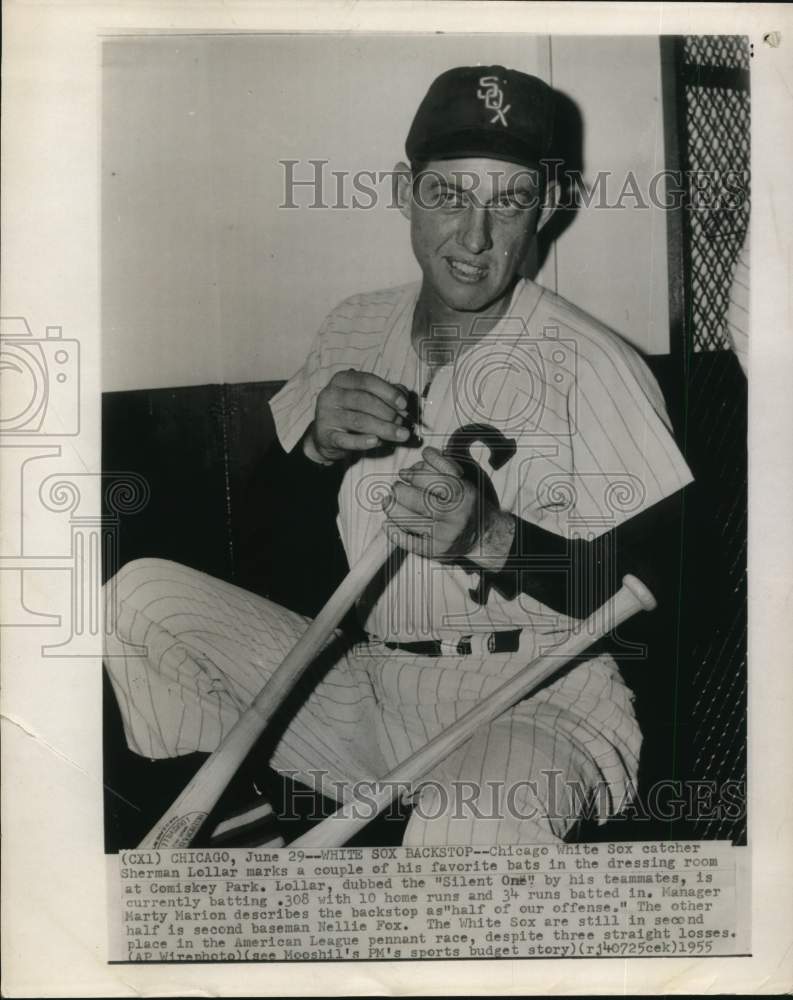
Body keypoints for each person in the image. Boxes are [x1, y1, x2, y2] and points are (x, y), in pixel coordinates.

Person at [104, 66, 693, 845]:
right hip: (373, 686)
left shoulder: (594, 363)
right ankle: (246, 814)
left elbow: (684, 602)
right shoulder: (353, 326)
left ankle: (379, 844)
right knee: (139, 595)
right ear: (402, 191)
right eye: (448, 195)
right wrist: (311, 452)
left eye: (507, 200)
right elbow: (265, 556)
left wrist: (493, 539)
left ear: (546, 207)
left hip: (539, 699)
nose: (474, 236)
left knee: (463, 823)